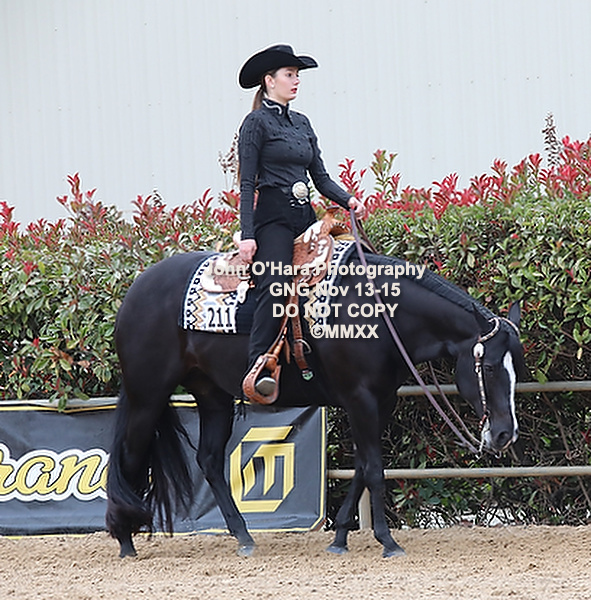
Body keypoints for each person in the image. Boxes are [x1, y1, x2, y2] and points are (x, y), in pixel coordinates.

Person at [237, 44, 364, 398]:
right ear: (269, 80)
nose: (296, 81)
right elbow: (247, 183)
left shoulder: (302, 123)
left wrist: (348, 200)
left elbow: (320, 178)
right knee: (275, 283)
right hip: (273, 218)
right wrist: (248, 234)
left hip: (305, 216)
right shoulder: (255, 123)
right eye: (289, 75)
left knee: (346, 267)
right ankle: (258, 367)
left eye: (297, 76)